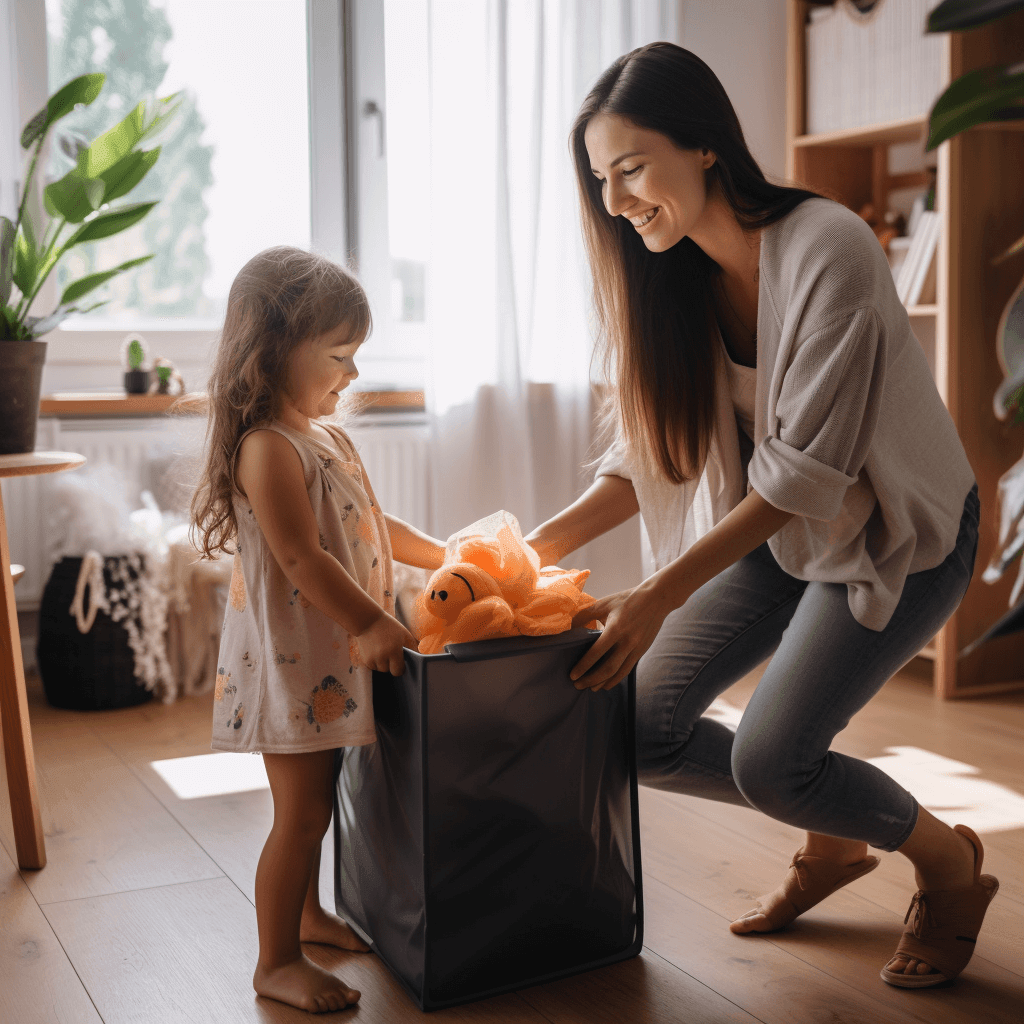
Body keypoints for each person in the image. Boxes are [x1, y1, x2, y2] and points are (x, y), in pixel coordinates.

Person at [525, 42, 998, 989]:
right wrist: (527, 548)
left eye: (631, 169)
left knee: (774, 760)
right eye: (599, 180)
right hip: (782, 540)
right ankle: (830, 836)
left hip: (899, 539)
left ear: (704, 145)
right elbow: (648, 458)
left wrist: (656, 595)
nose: (615, 202)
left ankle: (948, 864)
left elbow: (802, 476)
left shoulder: (829, 247)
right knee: (641, 731)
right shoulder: (672, 276)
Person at [191, 247, 446, 1013]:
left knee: (322, 801)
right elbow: (302, 558)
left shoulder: (324, 436)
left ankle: (307, 915)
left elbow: (369, 522)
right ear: (270, 355)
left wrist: (443, 553)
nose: (352, 376)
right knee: (299, 814)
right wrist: (370, 619)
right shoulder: (268, 447)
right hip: (294, 663)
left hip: (328, 663)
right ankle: (275, 960)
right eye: (339, 358)